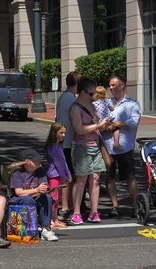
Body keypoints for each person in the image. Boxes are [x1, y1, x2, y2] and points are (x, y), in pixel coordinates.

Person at [68, 78, 110, 225]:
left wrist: (104, 124)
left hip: (95, 146)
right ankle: (76, 213)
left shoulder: (93, 107)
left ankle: (94, 211)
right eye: (91, 94)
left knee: (96, 180)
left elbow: (97, 127)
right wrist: (98, 124)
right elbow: (78, 129)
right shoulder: (75, 108)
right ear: (83, 92)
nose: (93, 97)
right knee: (81, 181)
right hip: (81, 147)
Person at [103, 75, 142, 218]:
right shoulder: (107, 103)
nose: (111, 88)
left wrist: (116, 124)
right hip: (108, 147)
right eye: (110, 85)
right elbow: (99, 119)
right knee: (109, 177)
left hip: (125, 147)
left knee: (130, 177)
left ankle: (136, 207)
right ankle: (115, 206)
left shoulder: (132, 104)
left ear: (122, 85)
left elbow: (133, 122)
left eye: (114, 85)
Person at [9, 149, 59, 242]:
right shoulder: (18, 173)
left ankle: (46, 229)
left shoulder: (40, 171)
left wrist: (44, 190)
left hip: (35, 196)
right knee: (27, 199)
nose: (38, 162)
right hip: (21, 199)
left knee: (47, 198)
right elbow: (18, 192)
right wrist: (36, 190)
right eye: (35, 160)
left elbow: (44, 188)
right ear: (28, 162)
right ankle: (28, 230)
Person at [55, 71, 81, 223]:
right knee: (68, 176)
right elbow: (74, 120)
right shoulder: (71, 99)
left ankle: (66, 206)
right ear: (76, 84)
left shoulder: (62, 97)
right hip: (68, 142)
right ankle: (66, 208)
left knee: (66, 175)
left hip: (63, 142)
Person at [45, 122, 71, 229]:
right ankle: (51, 219)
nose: (63, 135)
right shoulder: (54, 147)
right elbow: (59, 164)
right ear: (54, 133)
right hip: (55, 175)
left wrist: (66, 174)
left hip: (58, 175)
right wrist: (66, 177)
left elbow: (63, 163)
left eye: (65, 133)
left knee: (56, 197)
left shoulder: (57, 146)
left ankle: (54, 218)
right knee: (54, 197)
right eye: (61, 133)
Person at [93, 86, 120, 150]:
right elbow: (112, 108)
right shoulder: (107, 101)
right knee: (116, 129)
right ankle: (116, 143)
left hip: (100, 121)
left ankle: (100, 145)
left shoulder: (93, 103)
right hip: (108, 119)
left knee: (99, 132)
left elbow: (94, 113)